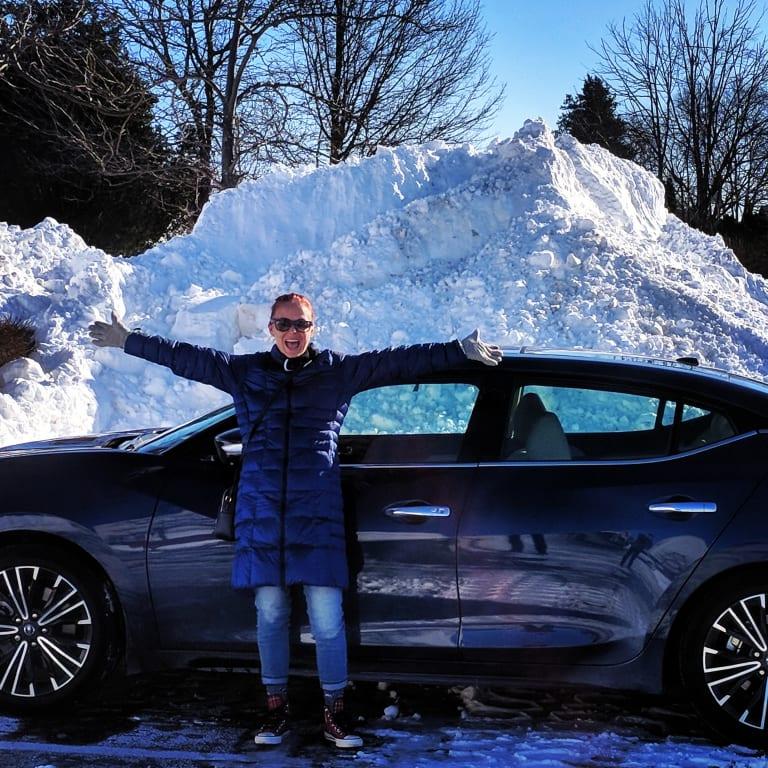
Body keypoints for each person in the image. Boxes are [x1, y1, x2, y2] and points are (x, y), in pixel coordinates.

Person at [89, 293, 501, 749]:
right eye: (284, 324)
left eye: (301, 324)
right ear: (270, 328)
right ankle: (276, 711)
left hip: (317, 516)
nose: (292, 332)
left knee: (327, 620)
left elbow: (397, 362)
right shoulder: (245, 373)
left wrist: (457, 350)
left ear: (312, 328)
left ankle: (335, 714)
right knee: (270, 615)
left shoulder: (338, 372)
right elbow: (189, 359)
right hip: (262, 515)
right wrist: (128, 341)